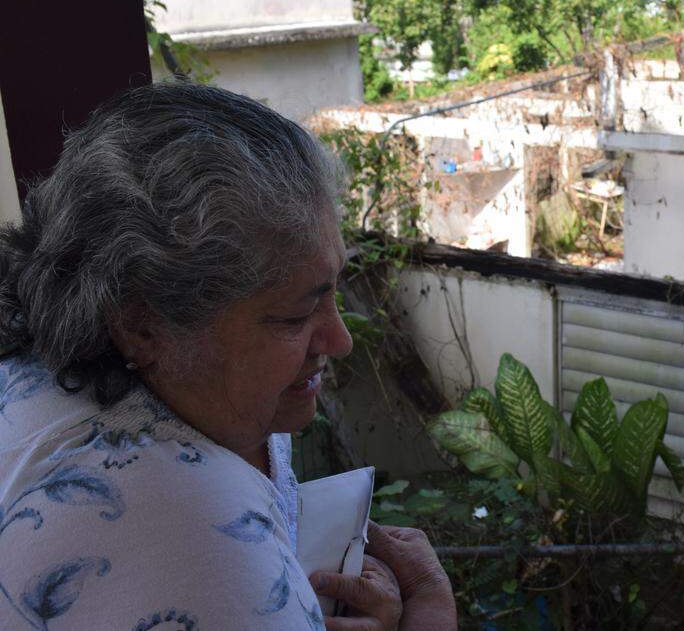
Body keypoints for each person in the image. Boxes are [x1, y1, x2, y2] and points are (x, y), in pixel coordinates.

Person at [0, 83, 456, 630]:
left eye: (333, 288)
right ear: (142, 325)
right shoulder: (190, 533)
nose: (340, 340)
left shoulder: (173, 389)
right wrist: (431, 611)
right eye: (293, 317)